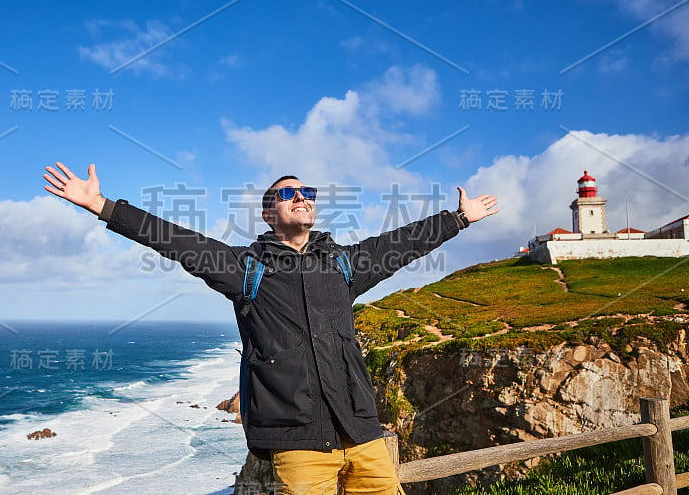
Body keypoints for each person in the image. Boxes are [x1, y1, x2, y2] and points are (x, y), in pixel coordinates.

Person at [43, 162, 498, 494]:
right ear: (267, 214)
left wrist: (458, 219)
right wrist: (102, 206)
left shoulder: (343, 264)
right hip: (297, 441)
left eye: (308, 192)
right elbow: (175, 239)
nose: (302, 197)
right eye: (287, 194)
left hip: (362, 433)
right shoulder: (245, 269)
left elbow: (404, 243)